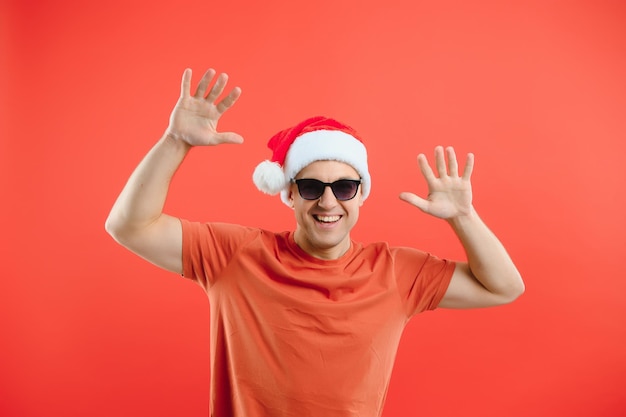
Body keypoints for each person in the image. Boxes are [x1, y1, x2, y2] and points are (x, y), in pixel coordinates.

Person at [105, 68, 524, 417]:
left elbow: (505, 287)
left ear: (362, 194)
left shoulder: (396, 272)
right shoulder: (234, 256)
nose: (327, 202)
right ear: (287, 193)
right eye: (310, 186)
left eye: (343, 187)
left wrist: (464, 217)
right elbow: (130, 227)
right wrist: (175, 142)